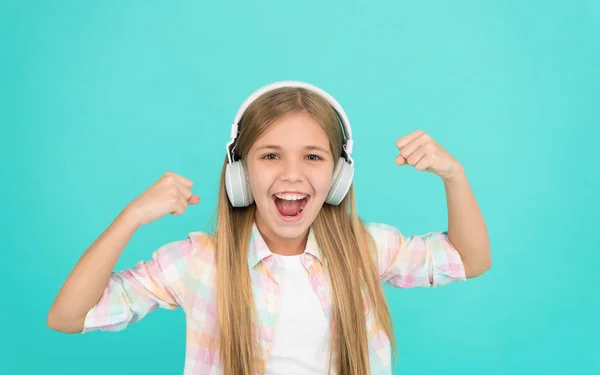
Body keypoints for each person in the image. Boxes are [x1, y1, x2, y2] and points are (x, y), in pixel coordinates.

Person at [47, 80, 491, 375]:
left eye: (313, 157)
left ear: (339, 177)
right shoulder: (199, 263)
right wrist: (130, 218)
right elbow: (69, 316)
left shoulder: (368, 248)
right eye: (271, 155)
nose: (292, 175)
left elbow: (469, 260)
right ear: (240, 174)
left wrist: (455, 176)